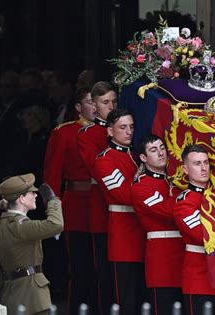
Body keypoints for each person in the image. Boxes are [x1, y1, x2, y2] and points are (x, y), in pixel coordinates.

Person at [43, 86, 97, 314]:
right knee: (80, 266)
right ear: (78, 107)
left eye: (100, 102)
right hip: (77, 204)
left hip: (104, 205)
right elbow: (51, 177)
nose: (95, 107)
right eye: (90, 102)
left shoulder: (113, 129)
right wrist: (53, 212)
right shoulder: (64, 132)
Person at [92, 108, 147, 314]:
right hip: (123, 234)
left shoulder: (136, 156)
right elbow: (124, 195)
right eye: (122, 127)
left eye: (131, 127)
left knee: (143, 297)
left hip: (143, 231)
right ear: (110, 131)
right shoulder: (104, 159)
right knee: (126, 298)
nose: (129, 132)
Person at [174, 144, 215, 315]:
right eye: (197, 164)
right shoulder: (185, 201)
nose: (203, 168)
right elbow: (203, 235)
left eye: (206, 163)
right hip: (200, 279)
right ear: (185, 169)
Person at [0, 174, 63, 315]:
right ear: (21, 199)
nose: (35, 195)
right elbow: (56, 225)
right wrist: (53, 201)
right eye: (31, 193)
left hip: (9, 296)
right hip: (35, 298)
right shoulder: (22, 226)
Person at [131, 134, 183, 314]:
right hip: (163, 258)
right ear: (143, 158)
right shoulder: (141, 186)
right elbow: (169, 212)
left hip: (185, 255)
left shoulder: (174, 179)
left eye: (162, 148)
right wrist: (182, 190)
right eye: (154, 150)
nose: (161, 153)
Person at [77, 81, 117, 314]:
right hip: (101, 206)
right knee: (103, 272)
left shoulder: (126, 127)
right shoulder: (89, 134)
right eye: (105, 102)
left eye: (114, 102)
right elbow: (97, 169)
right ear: (94, 105)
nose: (110, 107)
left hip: (126, 212)